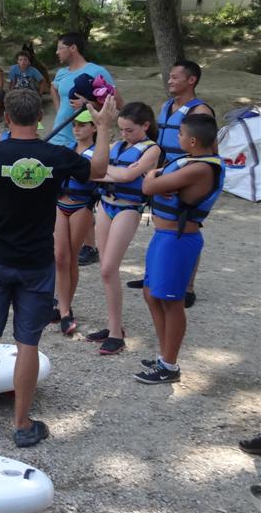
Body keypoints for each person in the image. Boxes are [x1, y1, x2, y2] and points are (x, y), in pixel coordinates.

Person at [0, 88, 117, 447]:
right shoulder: (57, 156)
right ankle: (21, 424)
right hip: (37, 262)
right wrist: (104, 127)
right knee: (27, 342)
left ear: (6, 118)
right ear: (39, 118)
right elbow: (99, 169)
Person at [136, 114, 224, 383]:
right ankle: (165, 353)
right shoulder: (193, 162)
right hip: (165, 237)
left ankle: (169, 366)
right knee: (151, 294)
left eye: (181, 134)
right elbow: (155, 186)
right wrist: (158, 180)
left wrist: (153, 176)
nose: (178, 138)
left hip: (178, 241)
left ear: (194, 141)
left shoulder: (201, 168)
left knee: (172, 302)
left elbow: (148, 185)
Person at [128, 60, 215, 305]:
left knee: (187, 225)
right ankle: (155, 276)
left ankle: (187, 287)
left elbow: (209, 151)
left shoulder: (201, 112)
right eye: (169, 77)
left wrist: (185, 179)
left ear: (191, 80)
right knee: (163, 225)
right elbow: (157, 137)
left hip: (184, 177)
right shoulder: (167, 106)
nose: (169, 80)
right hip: (163, 174)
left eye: (175, 77)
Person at [85, 102, 161, 355]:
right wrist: (112, 172)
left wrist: (107, 172)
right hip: (105, 205)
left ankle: (117, 334)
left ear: (145, 126)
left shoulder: (152, 149)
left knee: (108, 268)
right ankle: (114, 327)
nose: (124, 135)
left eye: (129, 130)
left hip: (128, 208)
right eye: (121, 130)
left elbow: (130, 176)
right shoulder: (117, 146)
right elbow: (93, 171)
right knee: (106, 272)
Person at [50, 32, 125, 268]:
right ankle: (62, 238)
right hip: (60, 136)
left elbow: (117, 103)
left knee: (81, 191)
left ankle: (89, 245)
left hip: (83, 138)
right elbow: (54, 90)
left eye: (60, 48)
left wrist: (89, 106)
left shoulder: (96, 71)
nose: (57, 52)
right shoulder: (62, 73)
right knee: (61, 190)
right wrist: (62, 109)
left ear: (72, 48)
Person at [52, 110, 98, 336]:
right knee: (59, 257)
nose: (77, 128)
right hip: (61, 203)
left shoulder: (98, 152)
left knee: (70, 256)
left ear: (94, 127)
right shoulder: (67, 150)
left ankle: (65, 309)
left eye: (83, 124)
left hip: (81, 205)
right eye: (75, 125)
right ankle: (61, 306)